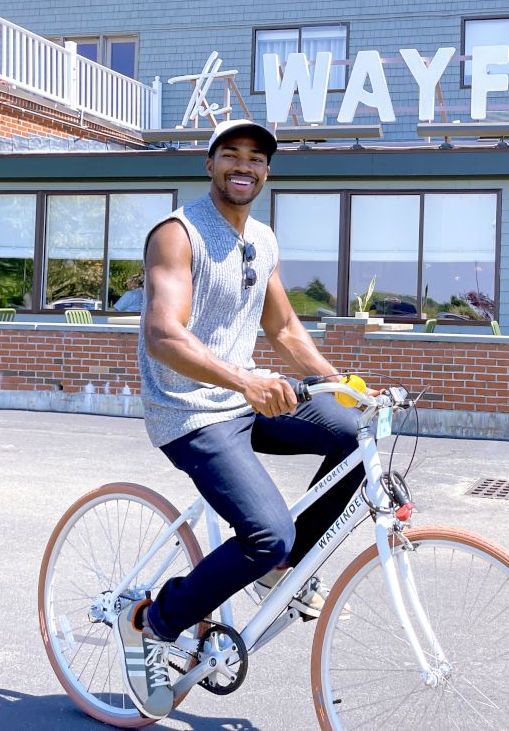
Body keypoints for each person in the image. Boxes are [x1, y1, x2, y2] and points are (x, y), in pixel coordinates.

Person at [117, 118, 364, 719]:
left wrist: (342, 385)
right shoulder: (178, 235)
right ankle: (155, 621)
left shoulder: (264, 239)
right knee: (265, 532)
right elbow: (162, 335)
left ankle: (279, 572)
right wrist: (246, 380)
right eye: (231, 155)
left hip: (244, 398)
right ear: (211, 165)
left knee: (354, 436)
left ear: (267, 172)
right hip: (190, 412)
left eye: (255, 158)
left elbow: (281, 327)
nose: (243, 166)